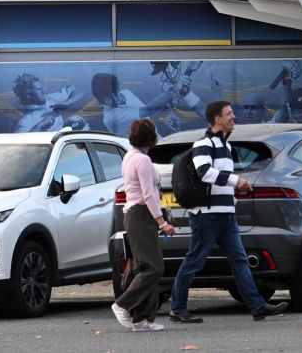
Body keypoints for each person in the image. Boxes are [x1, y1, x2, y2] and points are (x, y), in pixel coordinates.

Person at [169, 100, 290, 323]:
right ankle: (177, 308)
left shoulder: (227, 147)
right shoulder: (203, 144)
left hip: (226, 215)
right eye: (229, 114)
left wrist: (233, 196)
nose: (233, 117)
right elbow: (204, 172)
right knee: (195, 260)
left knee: (240, 260)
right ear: (218, 119)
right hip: (207, 215)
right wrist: (237, 181)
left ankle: (257, 307)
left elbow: (218, 180)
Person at [111, 118, 174, 332]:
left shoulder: (130, 156)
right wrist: (163, 223)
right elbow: (148, 195)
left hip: (134, 214)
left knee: (144, 267)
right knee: (154, 267)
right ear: (151, 137)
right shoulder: (143, 161)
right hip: (142, 215)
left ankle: (142, 319)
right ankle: (122, 305)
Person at [11, 73, 84, 132]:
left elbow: (80, 90)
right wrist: (40, 125)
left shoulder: (51, 98)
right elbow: (22, 144)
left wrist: (68, 103)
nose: (43, 91)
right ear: (28, 95)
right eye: (39, 89)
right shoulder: (25, 121)